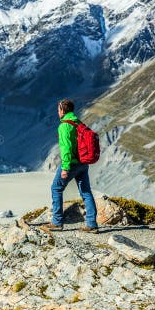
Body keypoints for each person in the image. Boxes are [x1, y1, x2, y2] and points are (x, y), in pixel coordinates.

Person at [41, 99, 99, 233]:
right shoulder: (78, 122)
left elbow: (66, 148)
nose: (57, 112)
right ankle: (92, 224)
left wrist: (65, 168)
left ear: (62, 110)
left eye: (58, 109)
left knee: (56, 188)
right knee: (86, 192)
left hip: (71, 163)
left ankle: (57, 222)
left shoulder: (64, 126)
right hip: (83, 163)